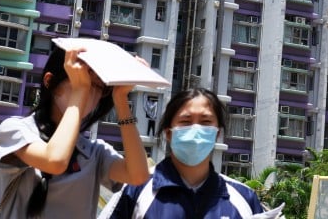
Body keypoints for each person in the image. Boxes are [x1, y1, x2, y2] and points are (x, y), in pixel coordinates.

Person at [0, 46, 150, 219]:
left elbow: (138, 175)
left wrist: (120, 98)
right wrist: (81, 91)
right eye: (81, 81)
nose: (90, 92)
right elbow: (55, 161)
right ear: (50, 81)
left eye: (98, 87)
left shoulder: (93, 152)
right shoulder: (15, 129)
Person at [101, 88, 280, 218]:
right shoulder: (135, 189)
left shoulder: (243, 197)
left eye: (205, 121)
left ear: (217, 133)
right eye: (186, 121)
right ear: (169, 133)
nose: (196, 129)